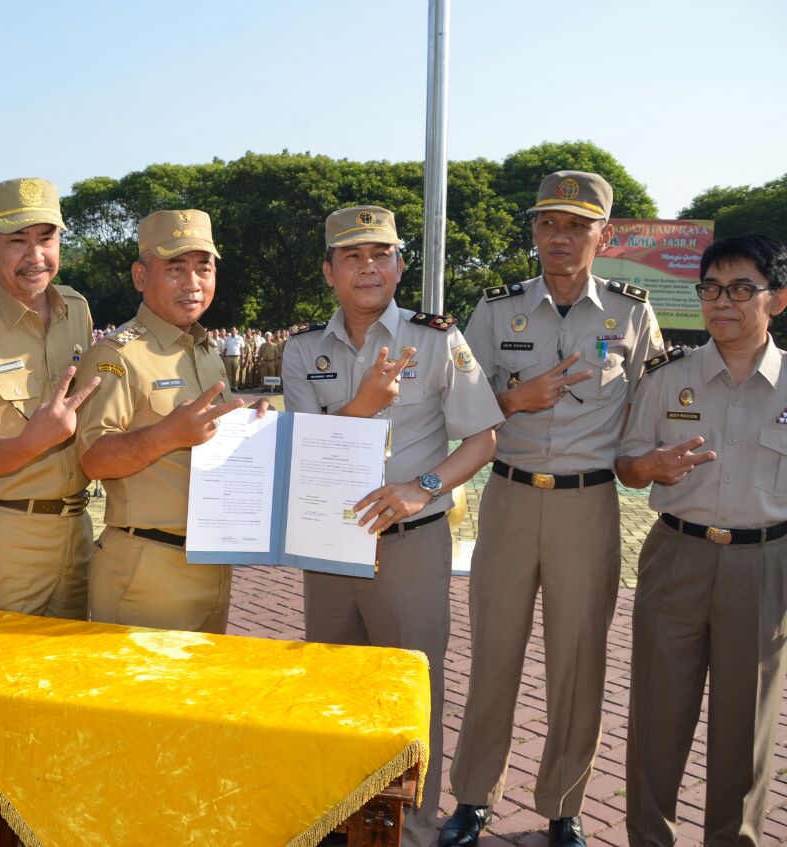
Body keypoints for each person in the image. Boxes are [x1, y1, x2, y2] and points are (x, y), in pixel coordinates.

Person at [443, 171, 665, 847]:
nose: (560, 238)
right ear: (534, 231)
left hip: (588, 503)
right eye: (548, 224)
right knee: (493, 655)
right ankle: (474, 796)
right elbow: (459, 407)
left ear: (605, 234)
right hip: (509, 497)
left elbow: (653, 408)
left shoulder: (630, 313)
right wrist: (516, 399)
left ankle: (564, 804)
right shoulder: (494, 310)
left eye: (576, 225)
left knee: (578, 660)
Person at [283, 205, 501, 847]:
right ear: (329, 271)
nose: (368, 267)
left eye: (381, 254)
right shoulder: (304, 349)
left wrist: (421, 487)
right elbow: (300, 445)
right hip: (328, 543)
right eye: (352, 256)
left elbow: (482, 438)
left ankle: (415, 827)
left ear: (400, 265)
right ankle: (337, 819)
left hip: (409, 543)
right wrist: (364, 407)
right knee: (331, 687)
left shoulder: (436, 341)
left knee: (408, 693)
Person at [0, 178, 101, 845]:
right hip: (3, 535)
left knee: (64, 706)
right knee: (3, 711)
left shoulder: (79, 311)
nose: (35, 255)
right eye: (16, 241)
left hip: (75, 530)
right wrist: (39, 435)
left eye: (47, 237)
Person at [616, 234, 787, 846]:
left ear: (779, 299)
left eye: (742, 289)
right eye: (711, 288)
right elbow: (628, 466)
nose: (722, 302)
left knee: (745, 727)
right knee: (658, 716)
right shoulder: (669, 378)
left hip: (765, 566)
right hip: (676, 556)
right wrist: (649, 468)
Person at [75, 209, 265, 633]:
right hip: (147, 566)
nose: (193, 283)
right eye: (176, 268)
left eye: (204, 268)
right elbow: (92, 459)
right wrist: (167, 435)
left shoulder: (205, 350)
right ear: (141, 276)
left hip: (211, 563)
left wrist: (251, 421)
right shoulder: (118, 355)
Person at [221, 323, 244, 388]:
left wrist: (242, 358)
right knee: (229, 373)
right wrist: (223, 358)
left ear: (237, 331)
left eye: (234, 330)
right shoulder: (227, 338)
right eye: (231, 330)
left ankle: (236, 386)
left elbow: (242, 349)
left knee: (236, 373)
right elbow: (225, 349)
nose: (232, 331)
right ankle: (230, 386)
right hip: (228, 357)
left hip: (237, 357)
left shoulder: (240, 338)